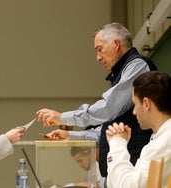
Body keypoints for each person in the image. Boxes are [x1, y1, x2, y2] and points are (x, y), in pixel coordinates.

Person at [36, 23, 157, 179]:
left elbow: (108, 108)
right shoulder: (123, 73)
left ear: (115, 44)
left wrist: (62, 117)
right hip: (121, 173)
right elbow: (107, 130)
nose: (98, 58)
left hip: (133, 170)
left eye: (100, 49)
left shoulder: (138, 66)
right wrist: (70, 135)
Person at [106, 71, 171, 188]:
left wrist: (117, 144)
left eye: (135, 104)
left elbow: (128, 186)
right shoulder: (161, 138)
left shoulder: (165, 142)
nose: (134, 111)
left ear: (146, 103)